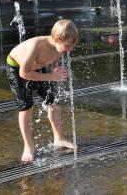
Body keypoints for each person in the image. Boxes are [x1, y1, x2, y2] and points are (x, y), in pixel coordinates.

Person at [6, 19, 79, 163]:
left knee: (53, 100)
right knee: (26, 106)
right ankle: (28, 146)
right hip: (17, 69)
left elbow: (53, 62)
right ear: (57, 39)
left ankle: (59, 138)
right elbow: (24, 73)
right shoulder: (36, 46)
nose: (70, 50)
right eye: (68, 46)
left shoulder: (60, 48)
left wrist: (55, 71)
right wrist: (51, 76)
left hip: (39, 69)